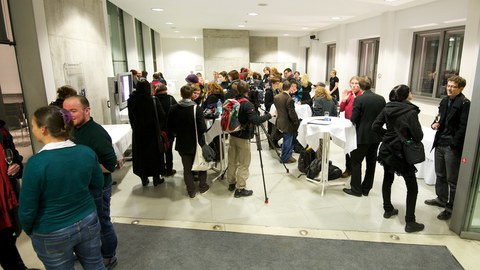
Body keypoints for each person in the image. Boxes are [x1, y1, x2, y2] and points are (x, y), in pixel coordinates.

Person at [19, 106, 104, 269]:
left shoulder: (36, 164)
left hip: (51, 230)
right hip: (87, 219)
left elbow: (27, 208)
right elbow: (98, 184)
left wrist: (30, 230)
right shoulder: (86, 152)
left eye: (33, 126)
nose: (33, 129)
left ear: (43, 130)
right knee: (95, 264)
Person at [63, 95, 119, 269]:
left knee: (102, 223)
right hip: (83, 188)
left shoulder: (96, 133)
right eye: (66, 112)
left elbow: (110, 166)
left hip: (98, 188)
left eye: (73, 111)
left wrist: (83, 166)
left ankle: (109, 255)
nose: (68, 115)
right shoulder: (72, 130)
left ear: (87, 111)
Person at [372, 85, 425, 233]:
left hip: (387, 149)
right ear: (406, 95)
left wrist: (387, 136)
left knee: (388, 179)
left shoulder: (387, 108)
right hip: (402, 152)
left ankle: (388, 209)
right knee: (412, 187)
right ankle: (410, 221)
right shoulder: (411, 111)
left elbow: (375, 126)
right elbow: (418, 136)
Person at [425, 75, 470, 220]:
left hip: (451, 146)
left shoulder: (464, 103)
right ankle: (441, 198)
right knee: (440, 174)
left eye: (453, 86)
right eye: (448, 86)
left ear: (461, 88)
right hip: (440, 142)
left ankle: (450, 207)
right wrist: (435, 123)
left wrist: (453, 143)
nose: (449, 88)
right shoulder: (445, 101)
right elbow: (439, 117)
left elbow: (463, 127)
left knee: (452, 179)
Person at [0, 120, 35, 270]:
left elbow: (13, 156)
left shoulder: (2, 131)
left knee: (7, 239)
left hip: (6, 200)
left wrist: (16, 165)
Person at [226, 81, 271, 197]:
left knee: (232, 161)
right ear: (248, 90)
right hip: (243, 137)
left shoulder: (233, 101)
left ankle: (231, 183)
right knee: (244, 163)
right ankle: (240, 189)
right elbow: (255, 120)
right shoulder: (247, 104)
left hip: (232, 135)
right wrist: (269, 115)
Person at [343, 76, 386, 197]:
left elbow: (353, 119)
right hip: (376, 136)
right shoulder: (381, 99)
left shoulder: (360, 99)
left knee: (356, 162)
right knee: (371, 163)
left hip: (362, 136)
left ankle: (356, 189)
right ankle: (366, 188)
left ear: (361, 86)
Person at [167, 85, 209, 198]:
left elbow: (169, 127)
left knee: (187, 168)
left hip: (182, 142)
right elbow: (202, 128)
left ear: (181, 94)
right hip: (197, 142)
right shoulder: (197, 109)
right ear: (192, 95)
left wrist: (176, 133)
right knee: (201, 164)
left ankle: (191, 191)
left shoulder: (173, 108)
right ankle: (203, 186)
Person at [128, 79, 166, 186]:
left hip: (138, 133)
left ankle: (144, 179)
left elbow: (131, 117)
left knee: (140, 156)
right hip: (152, 133)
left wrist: (134, 128)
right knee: (154, 156)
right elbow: (162, 115)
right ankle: (156, 178)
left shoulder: (131, 100)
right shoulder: (153, 100)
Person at [339, 76, 362, 178]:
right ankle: (348, 169)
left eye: (356, 83)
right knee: (347, 147)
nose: (354, 85)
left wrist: (357, 100)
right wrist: (343, 100)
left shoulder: (361, 95)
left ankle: (354, 169)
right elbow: (341, 109)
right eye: (352, 83)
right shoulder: (348, 93)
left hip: (357, 125)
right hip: (347, 124)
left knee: (355, 149)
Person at [154, 84, 178, 176]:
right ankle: (169, 170)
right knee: (168, 150)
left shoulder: (153, 100)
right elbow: (177, 111)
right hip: (170, 129)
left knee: (159, 150)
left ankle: (161, 170)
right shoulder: (171, 99)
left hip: (157, 130)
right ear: (166, 90)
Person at [273, 80, 300, 164]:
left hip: (279, 121)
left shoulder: (277, 97)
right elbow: (292, 113)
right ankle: (285, 158)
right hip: (288, 123)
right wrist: (296, 123)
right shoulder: (289, 99)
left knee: (285, 140)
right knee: (288, 141)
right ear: (289, 88)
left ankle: (286, 156)